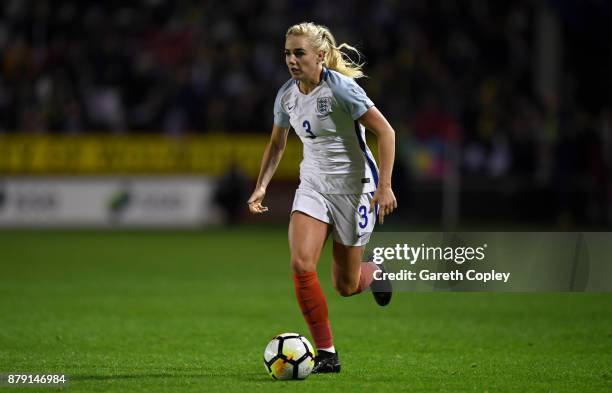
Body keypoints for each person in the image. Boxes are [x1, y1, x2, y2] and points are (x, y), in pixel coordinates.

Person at [247, 22, 397, 374]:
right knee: (301, 264)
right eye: (287, 53)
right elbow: (276, 144)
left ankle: (374, 272)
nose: (291, 60)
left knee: (345, 286)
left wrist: (385, 186)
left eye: (299, 53)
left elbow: (386, 132)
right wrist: (261, 185)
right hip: (312, 185)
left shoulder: (342, 89)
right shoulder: (286, 95)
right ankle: (327, 353)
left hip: (354, 187)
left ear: (320, 55)